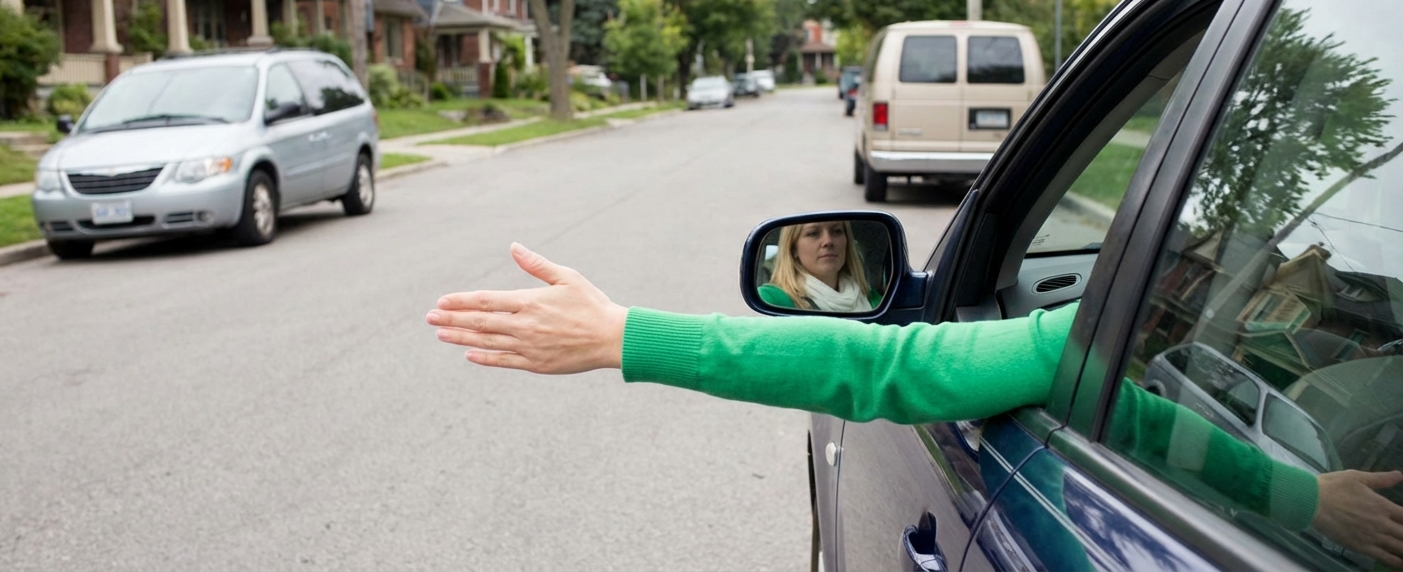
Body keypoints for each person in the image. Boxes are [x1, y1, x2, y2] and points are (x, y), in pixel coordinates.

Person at [425, 243, 1403, 568]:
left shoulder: (1093, 344)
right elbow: (1150, 424)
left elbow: (876, 367)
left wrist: (622, 337)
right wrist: (1308, 503)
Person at [759, 221, 880, 312]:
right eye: (813, 233)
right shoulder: (771, 299)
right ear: (793, 248)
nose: (828, 241)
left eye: (837, 231)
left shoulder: (873, 300)